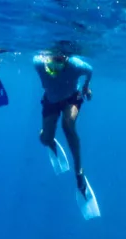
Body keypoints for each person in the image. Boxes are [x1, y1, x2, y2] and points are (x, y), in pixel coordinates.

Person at [34, 46, 93, 196]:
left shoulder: (75, 65)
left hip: (71, 99)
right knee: (45, 139)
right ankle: (48, 138)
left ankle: (79, 171)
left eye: (59, 60)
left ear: (66, 58)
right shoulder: (38, 63)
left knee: (68, 124)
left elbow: (89, 70)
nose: (55, 65)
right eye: (52, 60)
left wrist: (86, 88)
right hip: (51, 100)